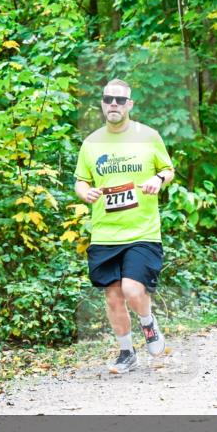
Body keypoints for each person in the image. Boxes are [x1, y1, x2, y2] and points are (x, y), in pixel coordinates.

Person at [73, 79, 175, 374]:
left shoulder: (148, 136)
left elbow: (167, 169)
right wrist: (84, 192)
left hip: (142, 230)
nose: (113, 104)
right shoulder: (91, 143)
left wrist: (158, 180)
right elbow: (82, 179)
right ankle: (126, 352)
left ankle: (149, 324)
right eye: (108, 99)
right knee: (113, 297)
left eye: (120, 100)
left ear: (130, 104)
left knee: (132, 289)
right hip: (105, 233)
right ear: (103, 104)